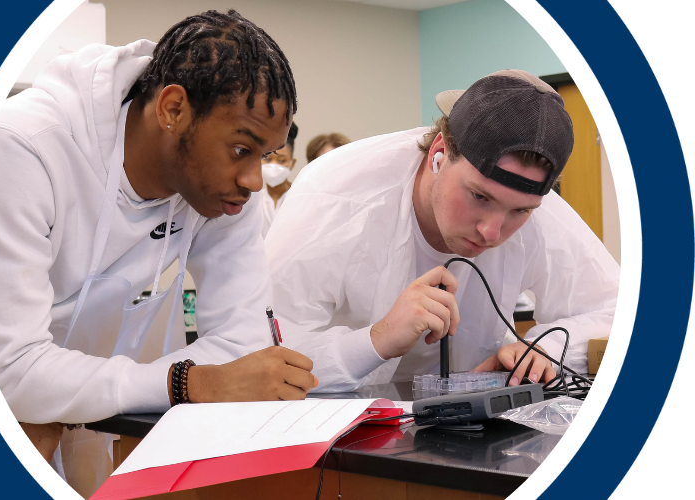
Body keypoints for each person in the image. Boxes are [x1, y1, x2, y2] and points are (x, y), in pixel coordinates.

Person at [0, 10, 317, 497]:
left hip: (81, 411)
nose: (255, 181)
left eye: (266, 155)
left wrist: (64, 400)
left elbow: (244, 344)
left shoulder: (224, 193)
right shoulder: (27, 146)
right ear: (172, 109)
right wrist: (187, 384)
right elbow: (10, 369)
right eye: (242, 149)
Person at [265, 69, 620, 393]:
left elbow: (614, 306)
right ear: (439, 152)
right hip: (330, 429)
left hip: (468, 429)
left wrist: (545, 348)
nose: (492, 231)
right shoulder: (334, 197)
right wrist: (376, 341)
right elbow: (264, 356)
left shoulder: (539, 208)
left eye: (519, 211)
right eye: (479, 196)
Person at [260, 123, 298, 238]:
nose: (274, 165)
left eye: (282, 161)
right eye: (268, 159)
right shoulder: (253, 200)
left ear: (292, 163)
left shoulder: (299, 197)